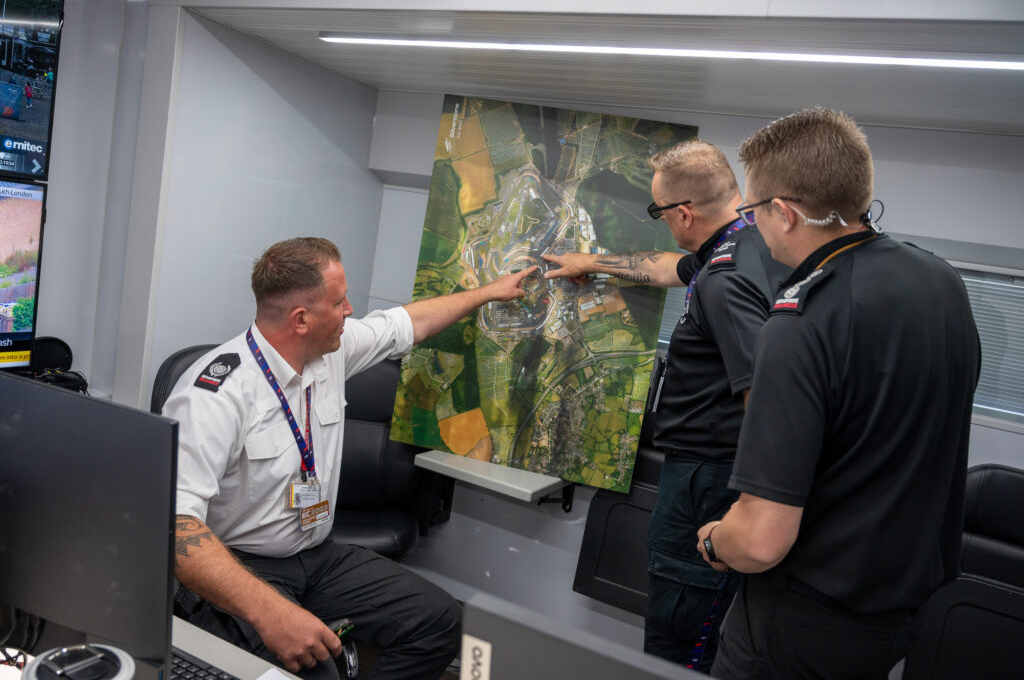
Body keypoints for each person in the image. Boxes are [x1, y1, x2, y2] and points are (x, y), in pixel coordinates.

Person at [164, 237, 536, 680]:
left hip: (317, 557)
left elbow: (407, 323)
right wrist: (272, 613)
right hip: (243, 568)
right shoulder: (215, 394)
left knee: (439, 621)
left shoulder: (330, 353)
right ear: (301, 319)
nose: (350, 310)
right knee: (313, 673)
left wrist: (490, 291)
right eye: (339, 301)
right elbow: (176, 525)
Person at [696, 108, 981, 680]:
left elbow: (761, 541)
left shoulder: (801, 322)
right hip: (892, 619)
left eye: (752, 211)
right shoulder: (940, 282)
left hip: (799, 627)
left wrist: (714, 539)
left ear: (785, 212)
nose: (751, 225)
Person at [543, 139, 788, 672]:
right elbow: (671, 267)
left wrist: (749, 504)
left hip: (708, 475)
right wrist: (592, 262)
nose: (661, 223)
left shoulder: (724, 283)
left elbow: (764, 400)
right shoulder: (749, 244)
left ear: (683, 213)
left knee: (680, 625)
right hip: (711, 469)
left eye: (659, 212)